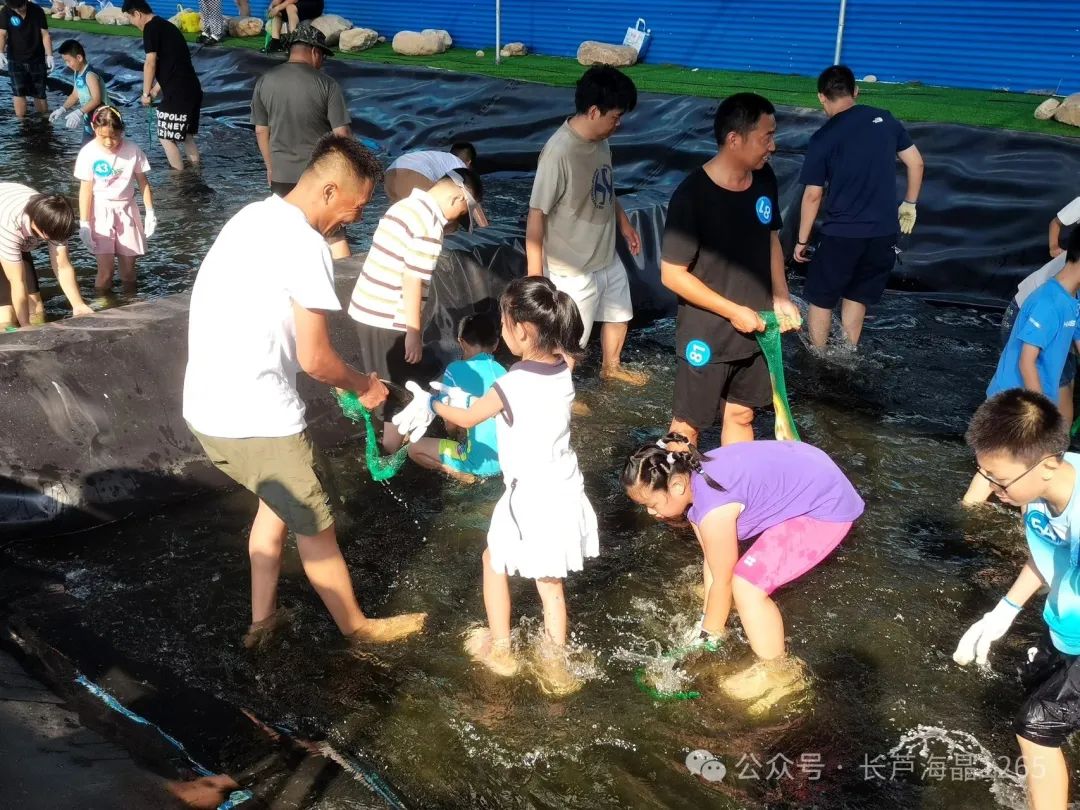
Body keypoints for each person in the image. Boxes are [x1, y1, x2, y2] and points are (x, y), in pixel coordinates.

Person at [182, 134, 426, 647]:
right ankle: (359, 630)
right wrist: (365, 386)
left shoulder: (251, 216)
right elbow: (316, 359)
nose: (356, 218)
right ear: (330, 190)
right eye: (358, 206)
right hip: (256, 415)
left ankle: (262, 620)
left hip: (205, 406)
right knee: (316, 526)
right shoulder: (307, 245)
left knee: (274, 509)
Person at [405, 276, 597, 693]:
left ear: (522, 331)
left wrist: (431, 402)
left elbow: (466, 418)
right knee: (551, 584)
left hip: (528, 495)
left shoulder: (511, 384)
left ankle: (502, 648)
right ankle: (556, 666)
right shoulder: (563, 369)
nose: (503, 330)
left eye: (506, 322)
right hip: (564, 487)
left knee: (493, 560)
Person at [622, 433, 863, 706]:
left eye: (651, 505)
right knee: (726, 585)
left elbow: (724, 579)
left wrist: (708, 637)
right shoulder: (695, 476)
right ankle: (723, 622)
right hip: (812, 470)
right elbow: (713, 562)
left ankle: (780, 674)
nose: (650, 513)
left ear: (676, 485)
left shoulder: (714, 510)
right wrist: (707, 622)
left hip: (827, 506)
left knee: (746, 587)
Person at [953, 388, 1080, 810]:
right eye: (984, 474)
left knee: (1036, 728)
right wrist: (1004, 611)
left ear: (1047, 466)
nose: (992, 488)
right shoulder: (1039, 494)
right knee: (1032, 687)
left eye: (1000, 480)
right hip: (1063, 625)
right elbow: (1047, 552)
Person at [660, 92, 801, 449]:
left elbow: (770, 238)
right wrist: (733, 311)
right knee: (688, 426)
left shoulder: (764, 178)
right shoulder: (692, 197)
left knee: (742, 415)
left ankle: (734, 483)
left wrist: (781, 296)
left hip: (758, 327)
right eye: (766, 137)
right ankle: (671, 485)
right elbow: (672, 274)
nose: (773, 146)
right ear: (734, 139)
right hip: (707, 334)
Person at [347, 168, 485, 448]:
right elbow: (412, 280)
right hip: (391, 317)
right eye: (460, 213)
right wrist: (413, 331)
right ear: (457, 199)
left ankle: (387, 441)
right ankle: (391, 455)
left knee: (383, 382)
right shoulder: (429, 225)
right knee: (398, 396)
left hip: (366, 308)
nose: (454, 220)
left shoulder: (404, 206)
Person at [526, 66, 647, 386]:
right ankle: (557, 389)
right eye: (616, 117)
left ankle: (612, 367)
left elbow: (605, 185)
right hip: (572, 264)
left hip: (605, 253)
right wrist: (536, 279)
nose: (619, 124)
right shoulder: (559, 152)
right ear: (594, 111)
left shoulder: (601, 141)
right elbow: (536, 215)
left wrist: (624, 223)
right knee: (570, 337)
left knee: (619, 314)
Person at [794, 65, 925, 350]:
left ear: (821, 97)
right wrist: (909, 204)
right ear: (855, 91)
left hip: (842, 233)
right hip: (883, 233)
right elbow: (916, 162)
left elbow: (813, 195)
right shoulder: (885, 119)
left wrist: (802, 241)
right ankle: (849, 352)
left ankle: (818, 355)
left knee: (821, 298)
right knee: (857, 296)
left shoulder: (823, 137)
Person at [962, 228, 1080, 505]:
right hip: (1015, 397)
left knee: (1025, 465)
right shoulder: (1047, 301)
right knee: (997, 463)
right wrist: (1041, 408)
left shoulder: (1072, 300)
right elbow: (1026, 359)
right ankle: (968, 510)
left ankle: (1022, 510)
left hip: (1035, 398)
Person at [251, 22, 352, 259]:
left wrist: (270, 167)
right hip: (320, 177)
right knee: (334, 235)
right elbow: (342, 134)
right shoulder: (327, 84)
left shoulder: (265, 80)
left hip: (281, 176)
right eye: (323, 56)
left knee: (287, 237)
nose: (323, 62)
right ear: (314, 51)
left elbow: (260, 131)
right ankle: (345, 279)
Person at [400, 313, 506, 483]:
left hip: (477, 463)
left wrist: (452, 436)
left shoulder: (454, 369)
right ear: (496, 344)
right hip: (507, 460)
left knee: (414, 449)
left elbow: (450, 421)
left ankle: (462, 475)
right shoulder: (503, 372)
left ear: (461, 342)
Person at [74, 107, 156, 293]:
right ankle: (103, 304)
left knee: (128, 272)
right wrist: (84, 223)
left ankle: (131, 302)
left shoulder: (133, 150)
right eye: (103, 136)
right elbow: (85, 190)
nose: (109, 142)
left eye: (114, 136)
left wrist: (150, 212)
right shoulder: (88, 153)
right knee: (106, 272)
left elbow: (143, 182)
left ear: (122, 131)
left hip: (127, 210)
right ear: (94, 129)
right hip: (100, 212)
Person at [123, 0, 203, 171]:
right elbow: (174, 64)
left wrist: (145, 93)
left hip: (178, 93)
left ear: (137, 13)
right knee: (187, 136)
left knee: (166, 137)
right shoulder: (168, 26)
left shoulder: (150, 28)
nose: (132, 23)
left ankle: (178, 179)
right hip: (192, 88)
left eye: (130, 18)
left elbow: (150, 63)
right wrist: (155, 90)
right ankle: (196, 175)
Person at [0, 182, 92, 327]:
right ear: (38, 225)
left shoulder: (56, 218)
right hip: (5, 226)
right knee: (6, 314)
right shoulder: (10, 226)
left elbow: (63, 266)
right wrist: (25, 326)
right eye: (51, 237)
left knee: (36, 307)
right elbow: (17, 281)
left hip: (14, 212)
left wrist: (78, 305)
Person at [0, 0, 53, 119]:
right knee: (18, 93)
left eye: (21, 7)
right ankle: (21, 122)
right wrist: (0, 52)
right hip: (15, 59)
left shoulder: (37, 11)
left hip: (37, 58)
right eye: (15, 9)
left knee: (39, 93)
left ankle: (44, 121)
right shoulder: (5, 11)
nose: (18, 11)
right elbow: (2, 34)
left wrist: (49, 55)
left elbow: (45, 34)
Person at [385, 143, 484, 205]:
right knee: (440, 214)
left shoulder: (440, 158)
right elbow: (469, 197)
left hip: (391, 171)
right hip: (415, 173)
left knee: (400, 211)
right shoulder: (460, 165)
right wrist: (484, 226)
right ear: (469, 163)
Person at [50, 39, 109, 142]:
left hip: (103, 121)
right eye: (65, 61)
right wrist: (62, 109)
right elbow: (75, 95)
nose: (67, 64)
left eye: (68, 61)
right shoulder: (77, 73)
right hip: (90, 120)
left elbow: (96, 100)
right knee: (86, 148)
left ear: (79, 58)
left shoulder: (90, 75)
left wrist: (79, 112)